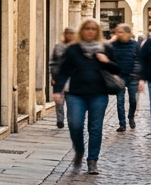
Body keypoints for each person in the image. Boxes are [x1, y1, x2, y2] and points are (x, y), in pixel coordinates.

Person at [53, 18, 122, 175]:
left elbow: (117, 70)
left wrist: (106, 61)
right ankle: (79, 151)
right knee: (75, 124)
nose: (90, 31)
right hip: (75, 94)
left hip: (99, 94)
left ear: (98, 31)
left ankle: (92, 161)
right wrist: (57, 91)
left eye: (93, 29)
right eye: (87, 28)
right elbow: (63, 71)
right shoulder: (73, 49)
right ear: (82, 30)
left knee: (95, 127)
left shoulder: (105, 48)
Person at [109, 23, 141, 132]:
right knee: (120, 102)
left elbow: (139, 60)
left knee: (133, 101)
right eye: (117, 32)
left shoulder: (135, 45)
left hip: (132, 77)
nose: (118, 34)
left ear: (128, 33)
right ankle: (122, 124)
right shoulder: (113, 45)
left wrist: (137, 74)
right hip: (119, 77)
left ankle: (131, 117)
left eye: (121, 32)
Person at [49, 27, 76, 130]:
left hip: (72, 79)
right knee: (59, 101)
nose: (70, 36)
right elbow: (53, 62)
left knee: (71, 102)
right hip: (59, 77)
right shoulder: (59, 46)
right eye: (68, 34)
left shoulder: (76, 48)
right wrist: (53, 77)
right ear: (64, 35)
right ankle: (60, 120)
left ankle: (70, 121)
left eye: (72, 34)